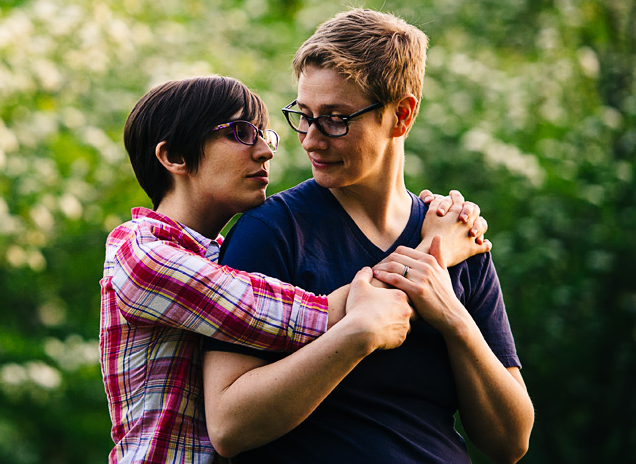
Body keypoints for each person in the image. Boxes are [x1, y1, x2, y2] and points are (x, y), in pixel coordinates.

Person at [100, 75, 491, 464]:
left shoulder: (216, 257)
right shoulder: (139, 255)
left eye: (264, 136)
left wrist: (424, 225)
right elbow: (267, 311)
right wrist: (433, 251)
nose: (266, 152)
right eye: (240, 133)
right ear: (175, 157)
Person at [201, 10, 534, 463]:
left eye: (336, 119)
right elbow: (228, 425)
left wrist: (452, 316)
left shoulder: (456, 235)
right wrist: (357, 335)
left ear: (401, 115)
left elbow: (510, 441)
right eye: (305, 115)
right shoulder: (272, 232)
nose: (311, 140)